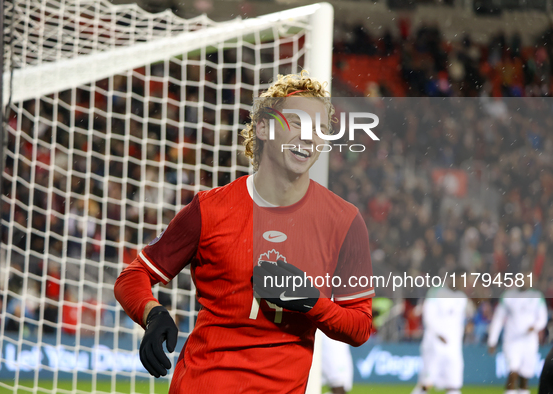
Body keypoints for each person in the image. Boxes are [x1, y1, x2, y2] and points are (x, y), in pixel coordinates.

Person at [114, 71, 375, 393]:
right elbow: (134, 275)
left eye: (320, 129)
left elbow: (360, 327)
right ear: (263, 127)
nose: (309, 137)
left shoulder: (344, 222)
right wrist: (151, 314)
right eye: (296, 122)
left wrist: (310, 301)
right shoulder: (209, 210)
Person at [412, 270, 470, 394]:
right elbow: (428, 317)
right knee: (426, 384)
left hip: (454, 348)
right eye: (463, 280)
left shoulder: (462, 298)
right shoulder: (436, 292)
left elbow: (459, 322)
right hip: (434, 345)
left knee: (454, 386)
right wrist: (439, 334)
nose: (465, 283)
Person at [488, 284, 548, 394]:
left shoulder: (536, 296)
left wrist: (535, 326)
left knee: (524, 379)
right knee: (513, 373)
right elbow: (498, 318)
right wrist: (492, 340)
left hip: (529, 342)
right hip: (512, 341)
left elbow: (543, 317)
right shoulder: (508, 296)